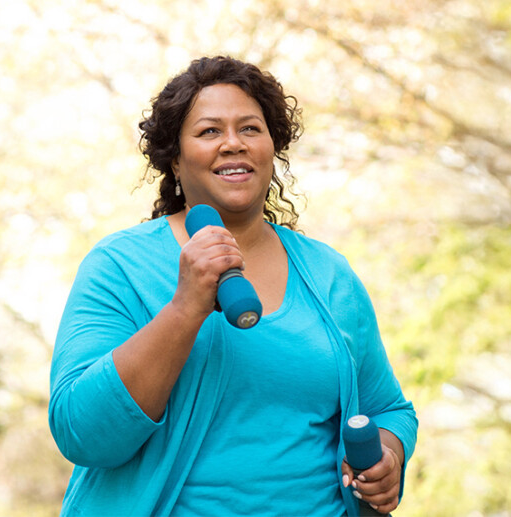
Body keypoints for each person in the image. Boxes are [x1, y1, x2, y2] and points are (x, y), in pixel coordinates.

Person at [48, 56, 416, 516]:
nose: (232, 144)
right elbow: (82, 433)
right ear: (175, 161)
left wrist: (388, 456)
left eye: (250, 129)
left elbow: (389, 410)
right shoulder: (120, 266)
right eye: (208, 132)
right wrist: (185, 307)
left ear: (272, 148)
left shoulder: (329, 274)